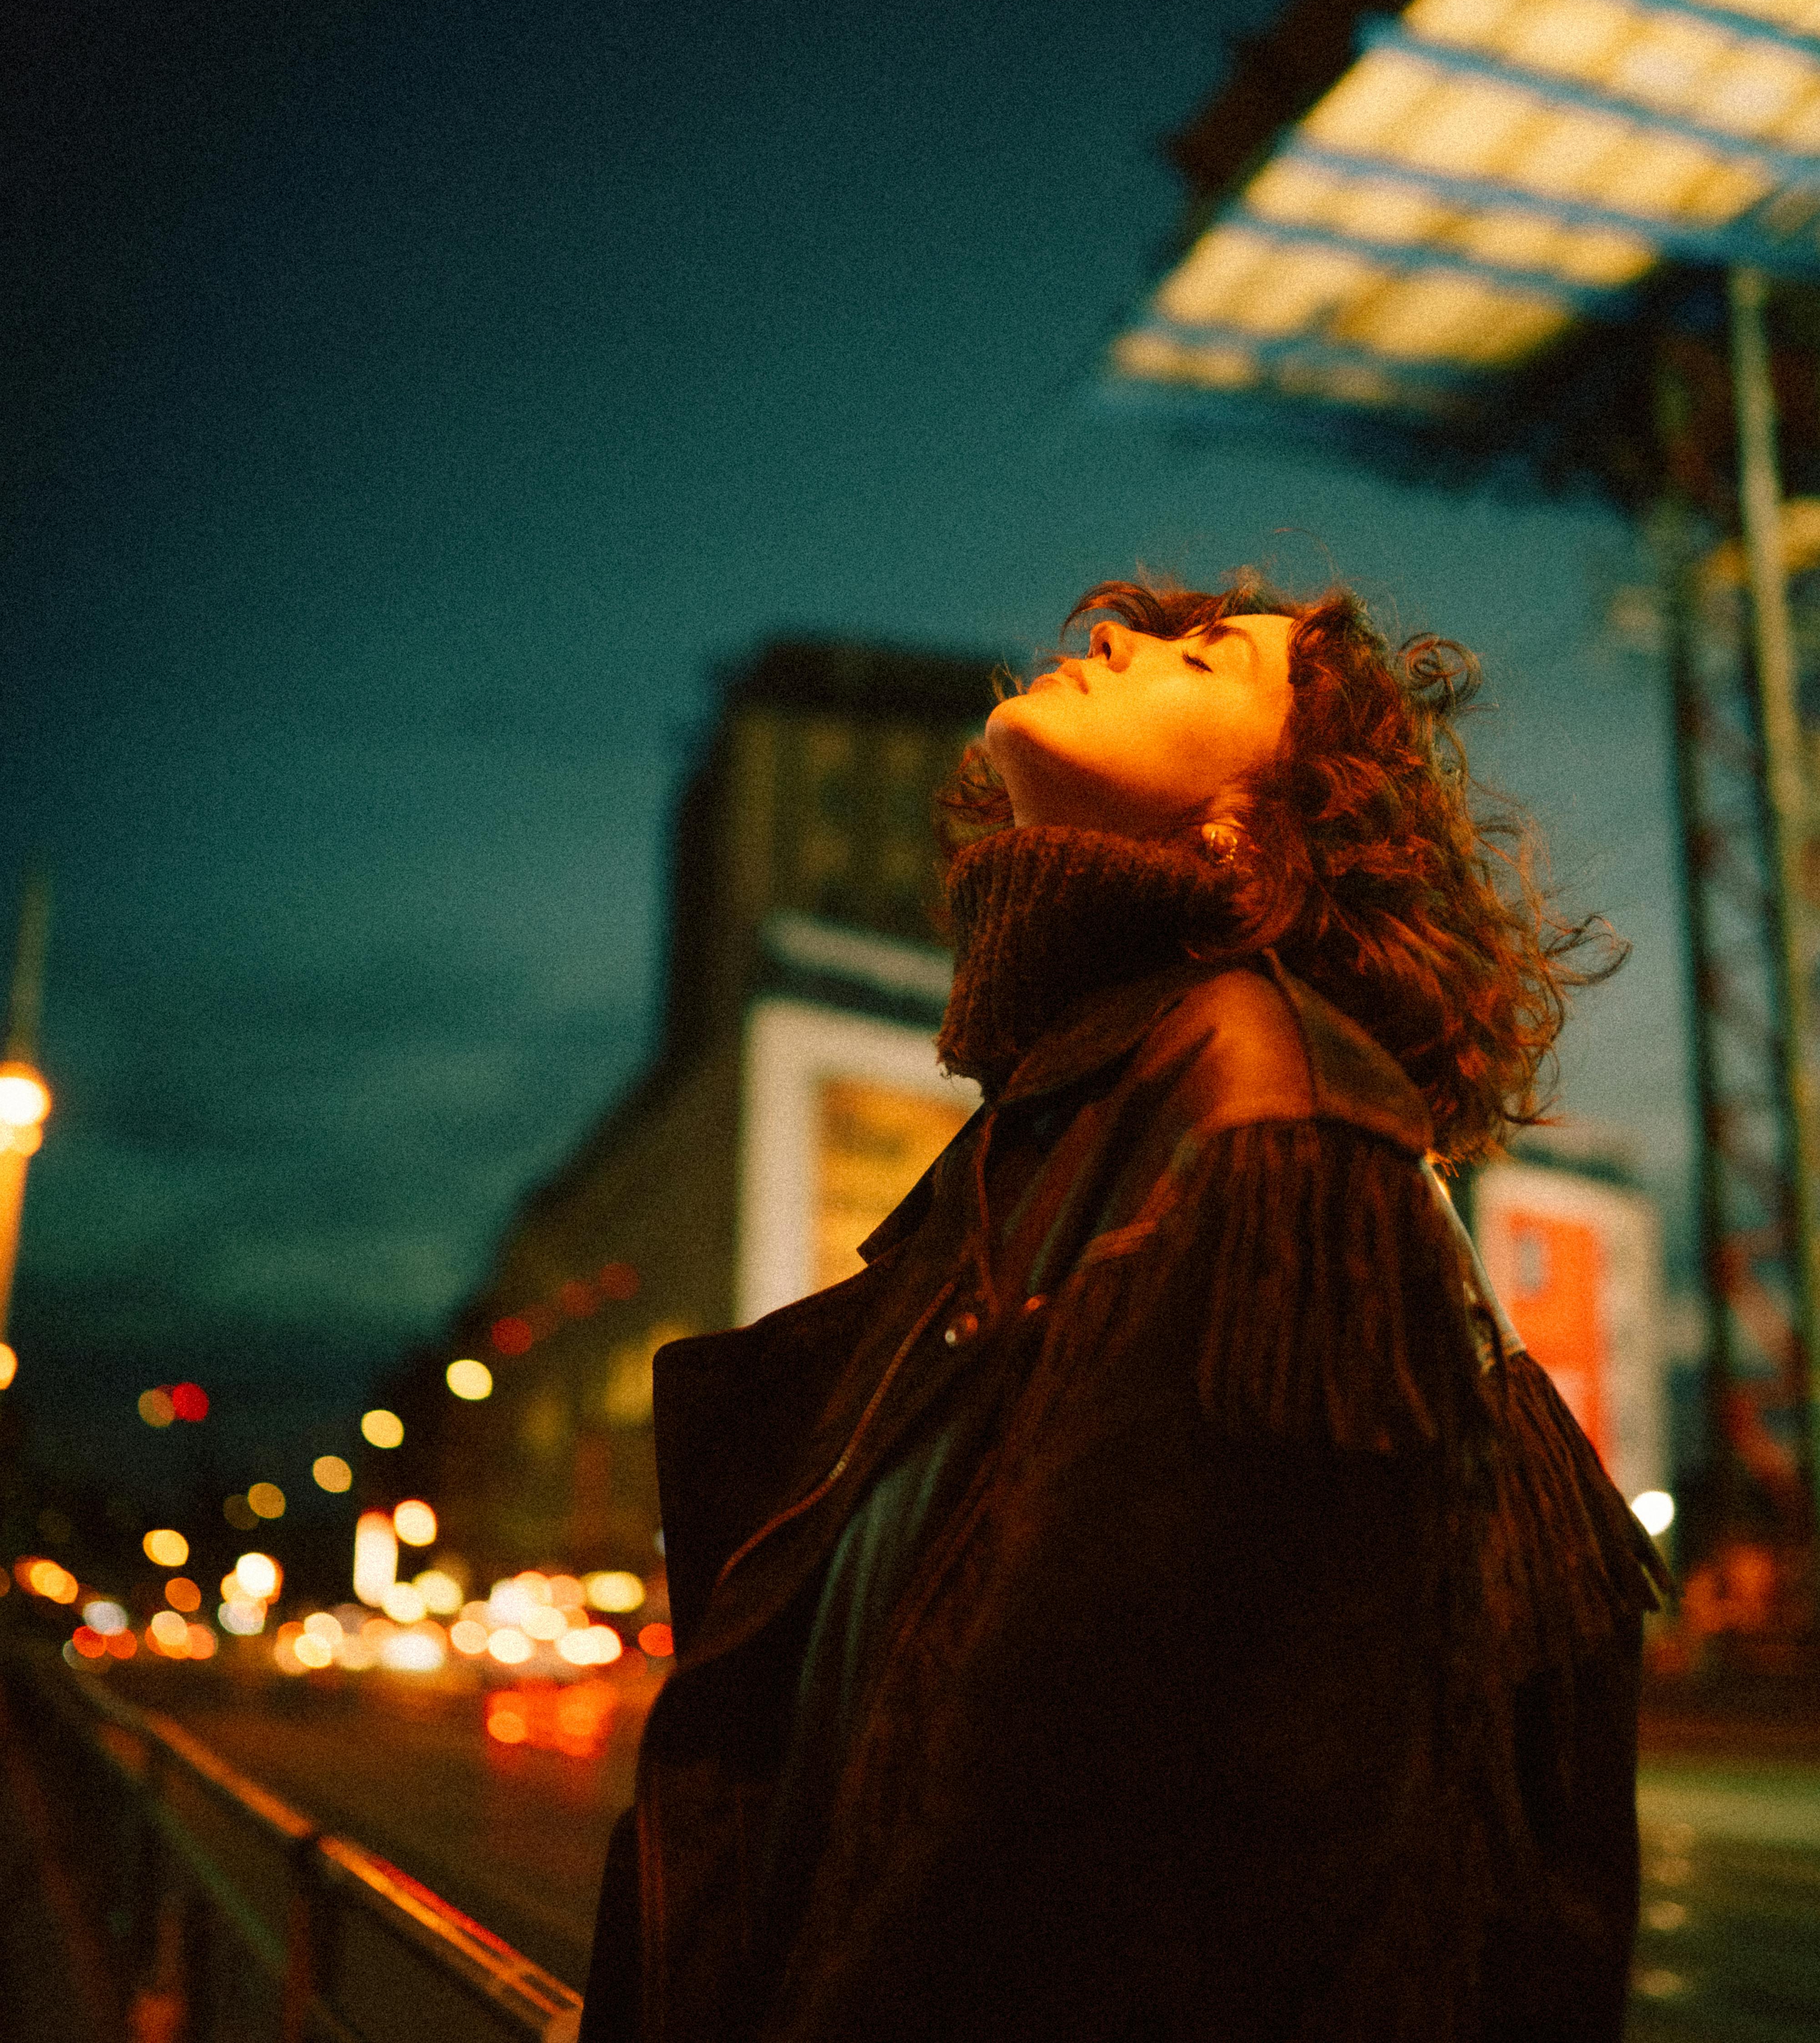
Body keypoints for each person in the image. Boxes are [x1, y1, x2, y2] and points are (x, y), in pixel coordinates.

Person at [581, 576, 1665, 2043]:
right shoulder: (1066, 1127)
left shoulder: (1262, 1120)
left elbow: (1122, 1843)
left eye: (1201, 653)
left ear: (1247, 823)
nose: (1106, 641)